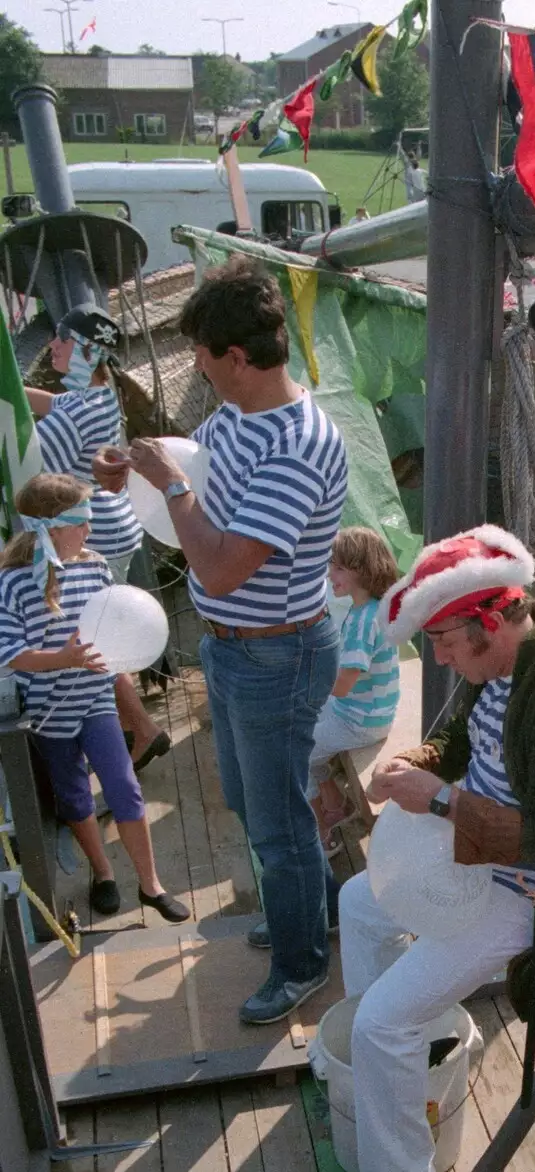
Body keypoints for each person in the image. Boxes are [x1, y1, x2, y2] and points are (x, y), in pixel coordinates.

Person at [326, 526, 535, 1172]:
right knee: (356, 907)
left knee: (378, 1021)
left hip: (531, 896)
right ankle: (405, 1059)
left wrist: (437, 799)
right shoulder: (496, 672)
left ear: (492, 619)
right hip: (474, 864)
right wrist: (414, 762)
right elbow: (457, 744)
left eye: (444, 639)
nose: (437, 655)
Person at [94, 257, 348, 1025]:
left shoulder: (300, 445)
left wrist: (169, 488)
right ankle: (310, 907)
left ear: (238, 358)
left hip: (279, 654)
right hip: (232, 649)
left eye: (204, 357)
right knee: (252, 801)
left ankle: (303, 962)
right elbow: (191, 469)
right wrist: (133, 473)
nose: (198, 371)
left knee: (275, 819)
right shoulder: (236, 417)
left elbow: (223, 565)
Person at [0, 473, 188, 923]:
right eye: (80, 523)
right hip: (49, 714)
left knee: (124, 788)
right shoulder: (12, 583)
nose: (89, 531)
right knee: (76, 798)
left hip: (95, 700)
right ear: (49, 529)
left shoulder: (96, 566)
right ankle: (103, 874)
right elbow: (12, 656)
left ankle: (151, 885)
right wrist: (64, 658)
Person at [25, 305, 170, 774]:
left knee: (85, 644)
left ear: (88, 351)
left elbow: (26, 458)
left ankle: (139, 730)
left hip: (93, 539)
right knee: (92, 638)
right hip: (114, 529)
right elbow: (45, 401)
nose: (53, 348)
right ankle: (138, 728)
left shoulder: (75, 414)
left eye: (63, 341)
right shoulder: (100, 394)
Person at [309, 524, 400, 849]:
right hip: (368, 711)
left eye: (338, 568)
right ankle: (336, 805)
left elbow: (342, 685)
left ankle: (321, 835)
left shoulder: (362, 622)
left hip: (359, 720)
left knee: (296, 752)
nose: (329, 573)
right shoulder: (370, 608)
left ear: (361, 571)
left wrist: (304, 681)